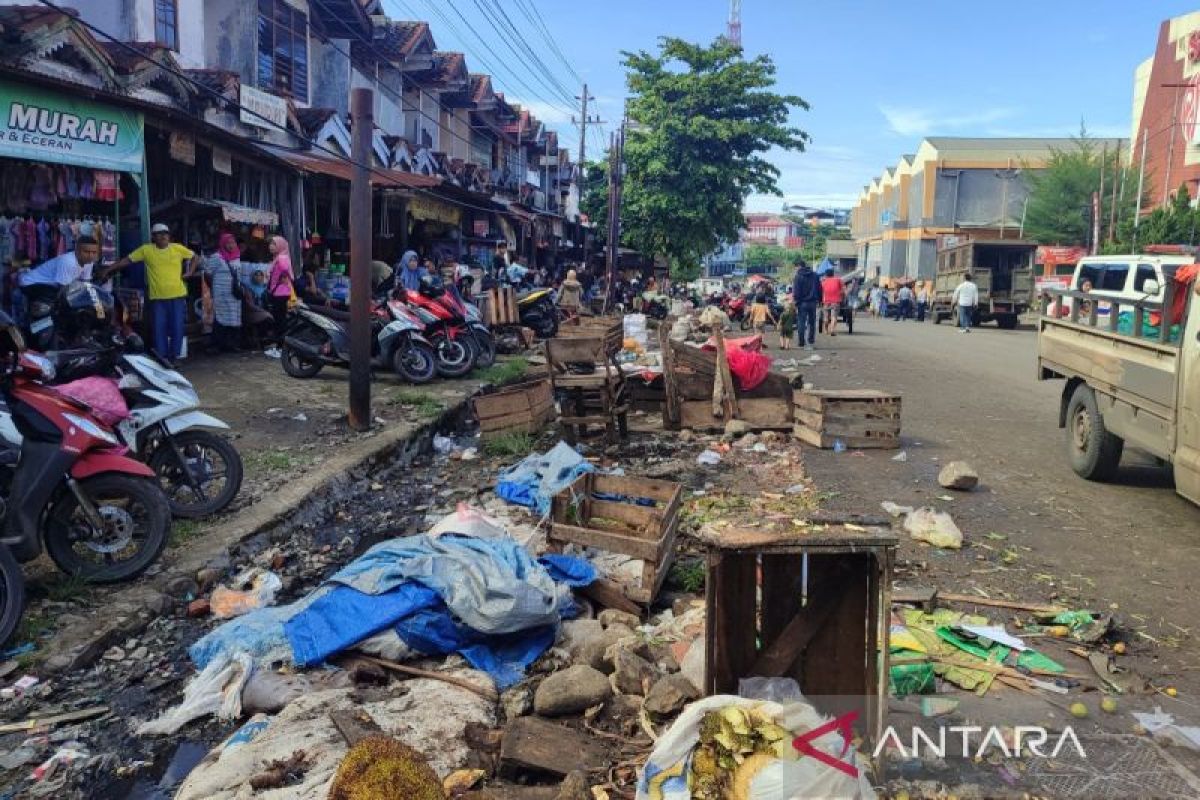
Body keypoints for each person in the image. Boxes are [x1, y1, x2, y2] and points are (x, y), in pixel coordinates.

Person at [103, 222, 200, 365]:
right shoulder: (146, 250)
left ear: (169, 236)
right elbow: (126, 261)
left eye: (165, 233)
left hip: (177, 295)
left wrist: (190, 272)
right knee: (159, 328)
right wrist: (108, 270)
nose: (163, 236)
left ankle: (174, 356)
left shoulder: (177, 248)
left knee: (177, 327)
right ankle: (163, 357)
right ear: (153, 237)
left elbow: (195, 257)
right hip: (157, 298)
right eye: (159, 234)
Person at [19, 234, 101, 306]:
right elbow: (63, 290)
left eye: (94, 252)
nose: (90, 255)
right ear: (77, 251)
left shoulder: (89, 262)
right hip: (31, 282)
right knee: (58, 304)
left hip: (52, 285)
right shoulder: (68, 262)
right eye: (86, 252)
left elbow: (86, 283)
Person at [203, 232, 243, 352]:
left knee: (234, 317)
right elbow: (207, 273)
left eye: (233, 242)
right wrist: (214, 287)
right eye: (228, 243)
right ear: (223, 244)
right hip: (222, 294)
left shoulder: (237, 256)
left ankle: (232, 344)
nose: (231, 245)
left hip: (234, 293)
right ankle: (218, 345)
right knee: (221, 318)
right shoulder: (217, 257)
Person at [266, 236, 294, 339]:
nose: (271, 246)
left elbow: (284, 268)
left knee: (279, 319)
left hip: (280, 293)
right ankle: (280, 342)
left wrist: (284, 276)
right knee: (280, 318)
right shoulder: (279, 257)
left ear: (280, 246)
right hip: (279, 292)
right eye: (270, 244)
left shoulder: (281, 258)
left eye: (274, 244)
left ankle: (280, 343)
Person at [791, 257, 820, 351]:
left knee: (801, 323)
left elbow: (796, 292)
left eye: (795, 267)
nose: (795, 269)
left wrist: (796, 301)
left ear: (799, 266)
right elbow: (819, 288)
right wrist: (819, 300)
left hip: (802, 303)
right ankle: (811, 341)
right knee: (812, 323)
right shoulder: (815, 275)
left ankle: (801, 342)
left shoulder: (798, 276)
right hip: (813, 302)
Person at [819, 269, 843, 336]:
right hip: (836, 302)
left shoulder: (823, 282)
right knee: (834, 317)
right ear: (833, 274)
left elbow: (821, 292)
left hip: (826, 302)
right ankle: (832, 330)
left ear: (826, 274)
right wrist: (840, 294)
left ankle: (826, 330)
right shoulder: (838, 280)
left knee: (826, 317)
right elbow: (843, 290)